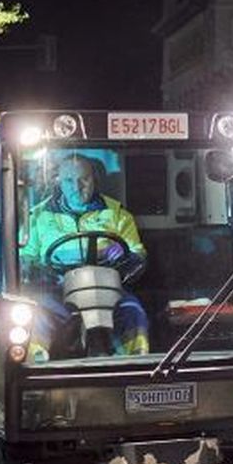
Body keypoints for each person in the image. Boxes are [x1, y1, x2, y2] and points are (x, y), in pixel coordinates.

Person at [19, 153, 151, 357]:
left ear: (95, 180)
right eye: (69, 180)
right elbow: (25, 257)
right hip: (57, 291)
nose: (77, 186)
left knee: (134, 312)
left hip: (109, 290)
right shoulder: (37, 216)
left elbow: (137, 253)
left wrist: (126, 259)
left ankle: (137, 367)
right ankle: (36, 368)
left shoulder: (117, 214)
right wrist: (38, 271)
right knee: (37, 317)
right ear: (58, 182)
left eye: (84, 179)